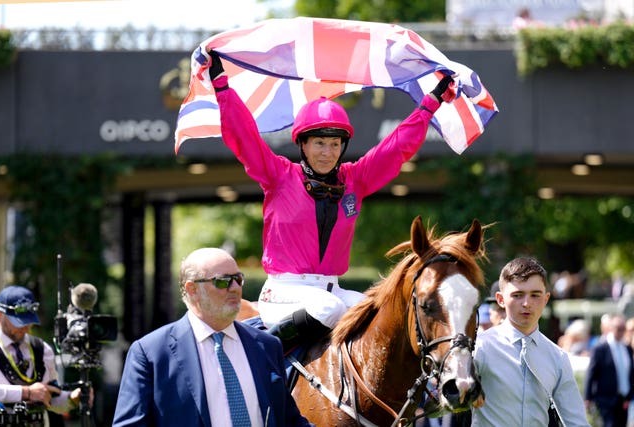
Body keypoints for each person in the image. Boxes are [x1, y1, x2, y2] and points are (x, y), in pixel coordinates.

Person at [206, 49, 457, 351]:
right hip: (285, 292)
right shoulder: (278, 175)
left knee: (383, 311)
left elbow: (396, 148)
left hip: (333, 290)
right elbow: (244, 137)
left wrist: (430, 104)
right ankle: (261, 357)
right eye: (320, 143)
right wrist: (222, 88)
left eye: (334, 144)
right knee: (327, 309)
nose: (327, 152)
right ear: (302, 144)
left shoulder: (356, 179)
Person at [112, 247, 312, 427]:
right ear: (192, 289)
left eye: (238, 279)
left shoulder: (266, 345)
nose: (235, 288)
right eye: (223, 281)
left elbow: (289, 421)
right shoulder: (151, 353)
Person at [471, 257, 589, 426]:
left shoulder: (558, 357)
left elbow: (577, 422)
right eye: (517, 295)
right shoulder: (479, 347)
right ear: (500, 299)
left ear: (546, 299)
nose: (527, 303)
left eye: (535, 295)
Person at [0, 285, 84, 424]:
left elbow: (50, 400)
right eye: (18, 322)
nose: (25, 328)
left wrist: (73, 398)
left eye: (28, 322)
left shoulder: (42, 349)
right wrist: (27, 392)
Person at [585, 313, 634, 427]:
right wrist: (588, 398)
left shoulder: (626, 348)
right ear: (611, 328)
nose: (621, 332)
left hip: (623, 401)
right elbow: (591, 373)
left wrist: (630, 394)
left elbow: (630, 373)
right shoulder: (600, 348)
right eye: (618, 328)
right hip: (606, 399)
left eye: (623, 329)